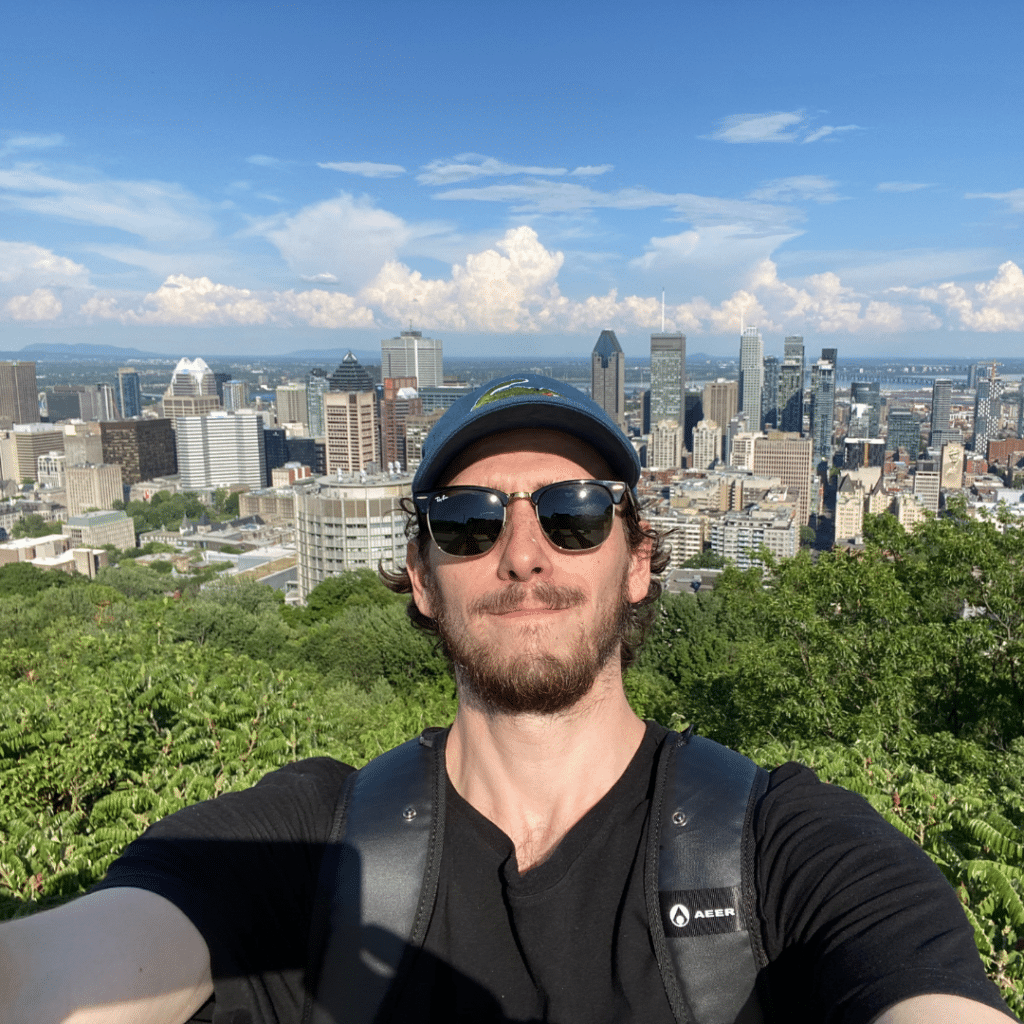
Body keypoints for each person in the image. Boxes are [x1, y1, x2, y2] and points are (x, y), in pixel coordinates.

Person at [0, 372, 1017, 1024]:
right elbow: (66, 973)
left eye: (575, 515)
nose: (523, 552)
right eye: (468, 521)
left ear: (638, 562)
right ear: (419, 575)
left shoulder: (788, 847)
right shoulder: (310, 842)